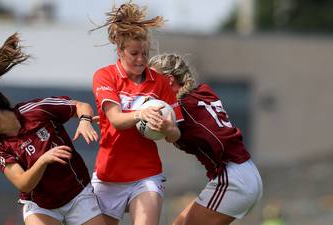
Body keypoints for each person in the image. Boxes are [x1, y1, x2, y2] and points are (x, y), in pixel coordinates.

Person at [0, 33, 106, 225]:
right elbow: (23, 182)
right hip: (41, 207)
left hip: (77, 194)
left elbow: (81, 107)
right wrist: (43, 160)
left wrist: (85, 121)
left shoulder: (35, 110)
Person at [89, 3, 183, 225]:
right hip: (108, 177)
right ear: (120, 50)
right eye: (134, 53)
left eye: (145, 53)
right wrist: (143, 113)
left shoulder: (159, 82)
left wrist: (168, 128)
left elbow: (175, 134)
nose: (141, 59)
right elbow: (116, 120)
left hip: (146, 175)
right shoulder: (105, 76)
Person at [149, 53, 263, 225]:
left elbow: (211, 140)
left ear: (169, 80)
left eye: (152, 81)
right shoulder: (202, 93)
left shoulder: (183, 107)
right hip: (247, 172)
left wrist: (172, 132)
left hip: (232, 178)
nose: (149, 87)